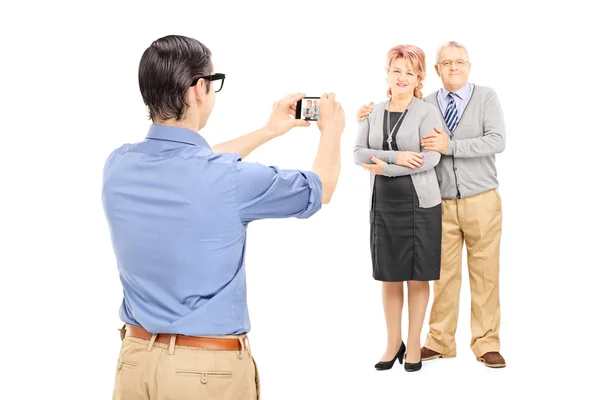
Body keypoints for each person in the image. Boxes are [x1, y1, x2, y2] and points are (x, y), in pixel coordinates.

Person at [102, 34, 345, 400]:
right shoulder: (227, 179)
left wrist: (268, 131)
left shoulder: (117, 165)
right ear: (199, 88)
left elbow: (190, 164)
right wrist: (333, 131)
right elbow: (321, 188)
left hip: (134, 364)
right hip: (205, 374)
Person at [356, 41, 506, 368]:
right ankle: (439, 341)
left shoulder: (486, 97)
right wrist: (364, 116)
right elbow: (389, 125)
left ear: (469, 66)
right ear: (436, 71)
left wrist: (449, 145)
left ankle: (486, 343)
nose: (454, 68)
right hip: (440, 201)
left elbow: (497, 141)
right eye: (446, 63)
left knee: (485, 275)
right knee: (442, 276)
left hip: (481, 199)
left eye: (460, 62)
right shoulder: (429, 102)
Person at [354, 44, 444, 372]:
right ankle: (393, 343)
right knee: (390, 277)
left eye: (409, 71)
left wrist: (386, 167)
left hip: (420, 205)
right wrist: (396, 157)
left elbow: (431, 158)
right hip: (383, 204)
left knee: (418, 278)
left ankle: (415, 343)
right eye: (396, 70)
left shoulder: (427, 113)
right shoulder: (372, 112)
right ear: (388, 74)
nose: (402, 77)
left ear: (419, 76)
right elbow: (358, 154)